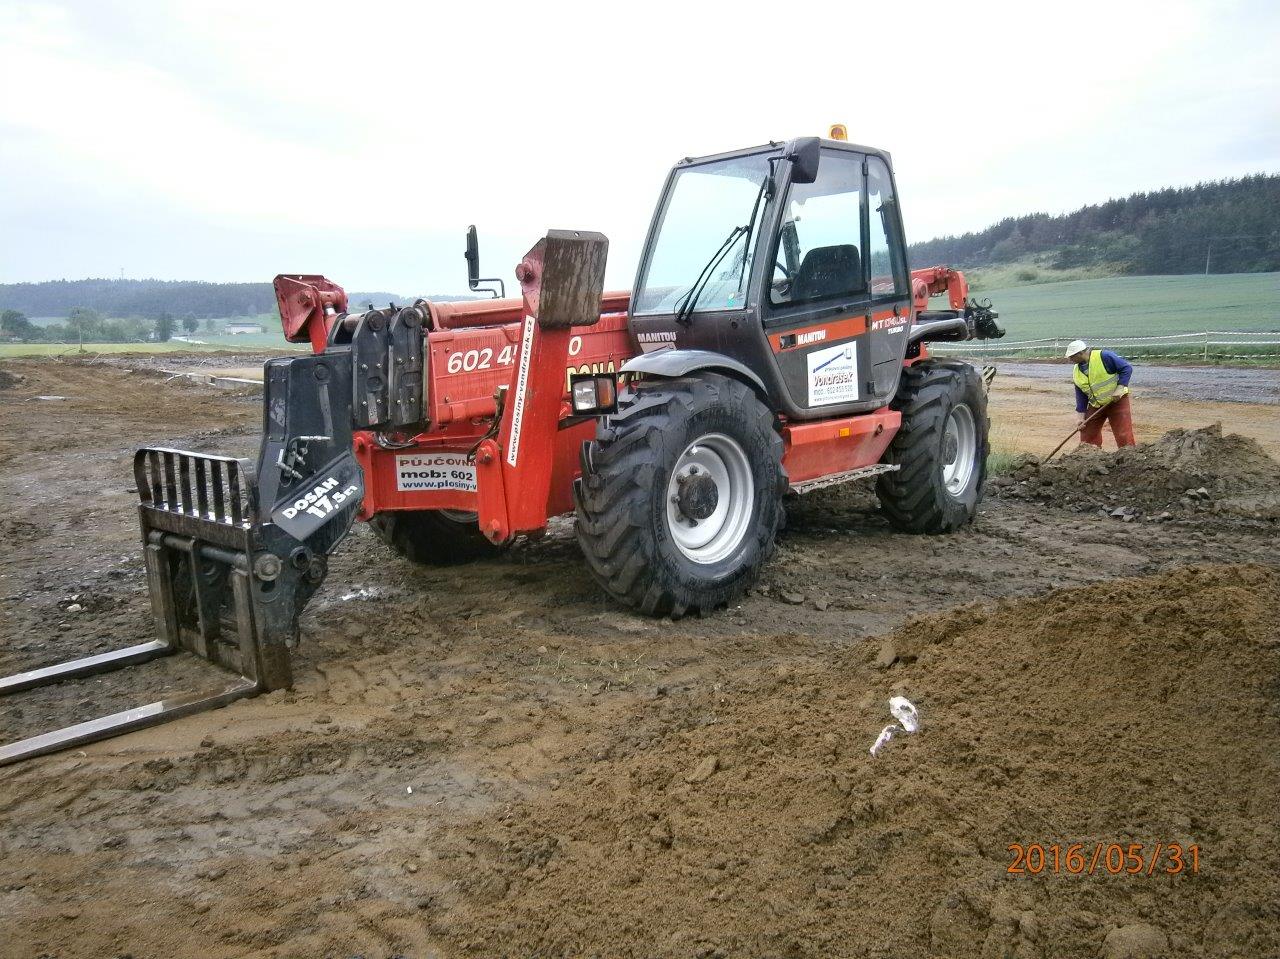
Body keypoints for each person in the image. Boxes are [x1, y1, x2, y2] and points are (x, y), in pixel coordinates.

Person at [1065, 339, 1135, 448]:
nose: (1069, 359)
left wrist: (1120, 387)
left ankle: (1129, 456)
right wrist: (1080, 418)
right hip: (1096, 405)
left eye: (1072, 356)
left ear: (1080, 353)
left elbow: (1126, 368)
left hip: (1117, 401)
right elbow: (1081, 395)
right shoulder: (1076, 371)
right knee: (1087, 432)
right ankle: (1089, 457)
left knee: (1123, 433)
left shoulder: (1104, 356)